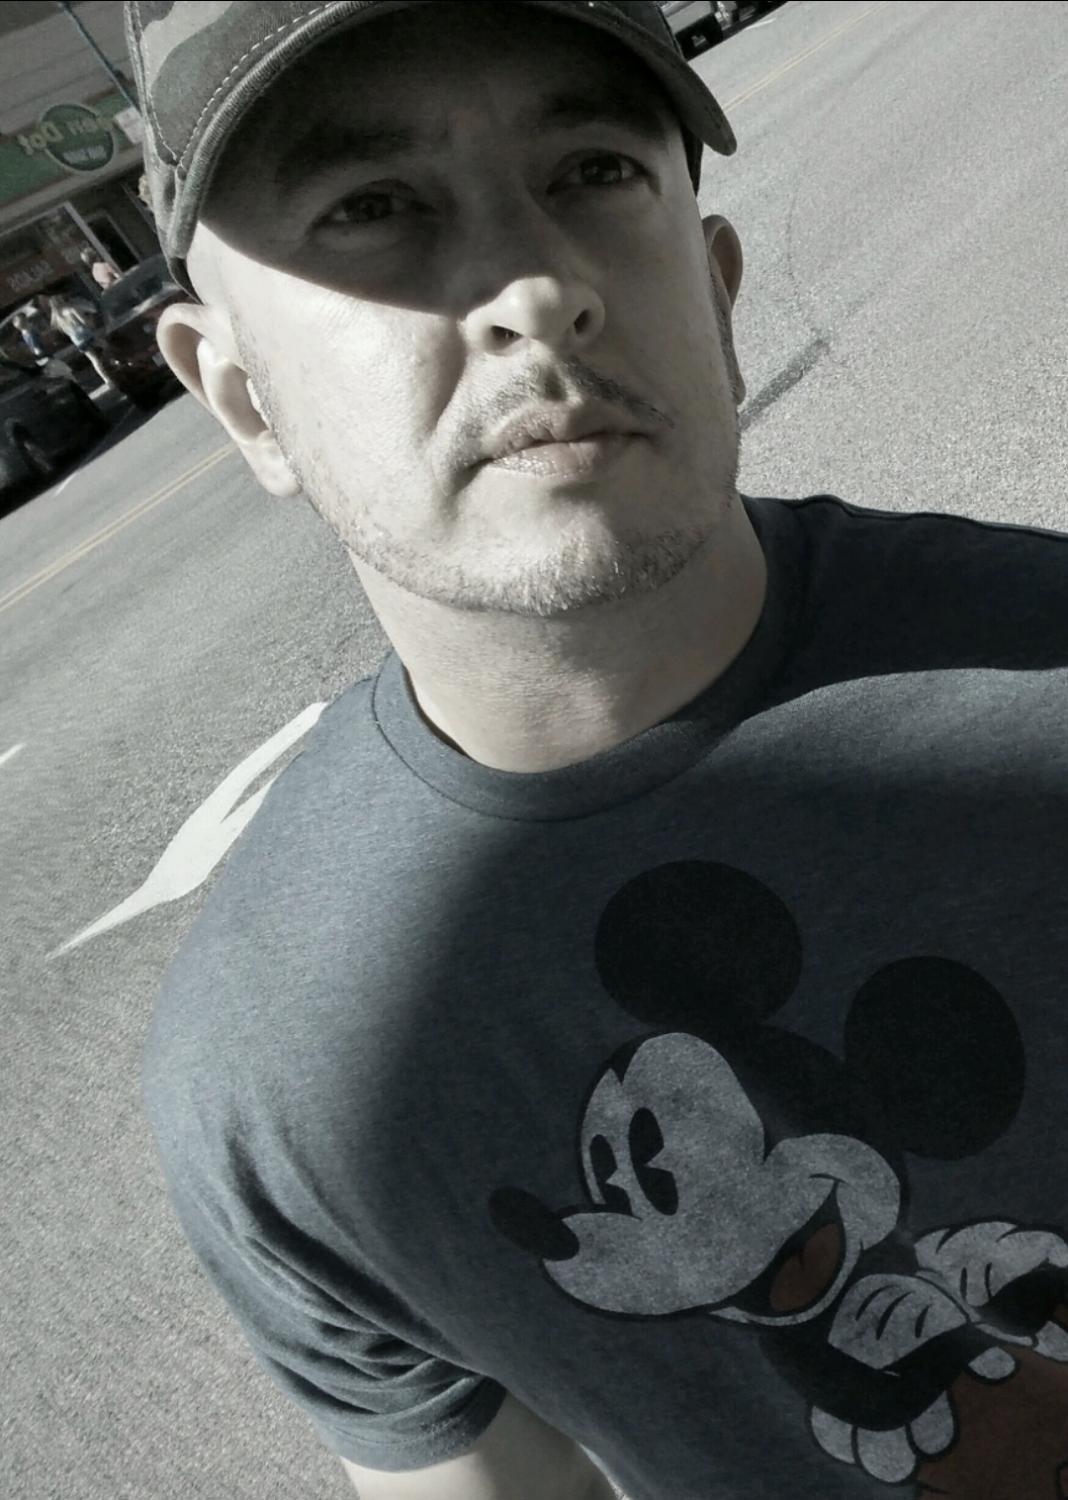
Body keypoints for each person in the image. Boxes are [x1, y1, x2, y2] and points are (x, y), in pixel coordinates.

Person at [128, 3, 1068, 1498]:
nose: (536, 287)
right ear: (243, 397)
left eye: (592, 171)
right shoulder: (280, 1073)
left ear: (718, 291)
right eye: (371, 206)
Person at [46, 291, 114, 390]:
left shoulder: (57, 318)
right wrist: (90, 318)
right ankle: (114, 361)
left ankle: (107, 379)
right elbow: (85, 322)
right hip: (86, 334)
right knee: (105, 345)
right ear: (60, 299)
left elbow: (62, 331)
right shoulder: (71, 309)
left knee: (94, 359)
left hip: (77, 340)